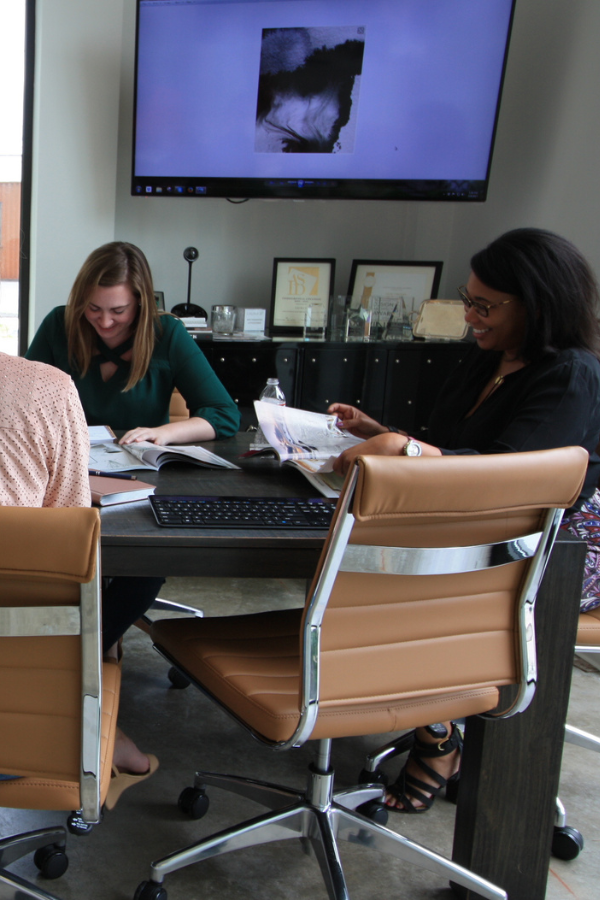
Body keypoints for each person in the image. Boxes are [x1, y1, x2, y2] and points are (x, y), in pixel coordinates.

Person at [328, 227, 600, 813]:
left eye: (486, 305)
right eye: (467, 299)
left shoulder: (572, 374)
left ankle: (438, 738)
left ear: (538, 302)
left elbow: (514, 477)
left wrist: (405, 451)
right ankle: (427, 706)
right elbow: (450, 451)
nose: (470, 315)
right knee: (368, 562)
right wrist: (381, 434)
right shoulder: (486, 359)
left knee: (398, 577)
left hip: (556, 545)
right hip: (474, 522)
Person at [25, 241, 241, 783]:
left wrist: (164, 431)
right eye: (93, 309)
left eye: (117, 311)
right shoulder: (59, 325)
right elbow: (25, 400)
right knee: (49, 556)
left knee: (144, 563)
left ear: (141, 303)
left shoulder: (168, 333)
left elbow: (224, 415)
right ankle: (78, 665)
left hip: (135, 483)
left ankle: (60, 671)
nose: (103, 321)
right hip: (67, 477)